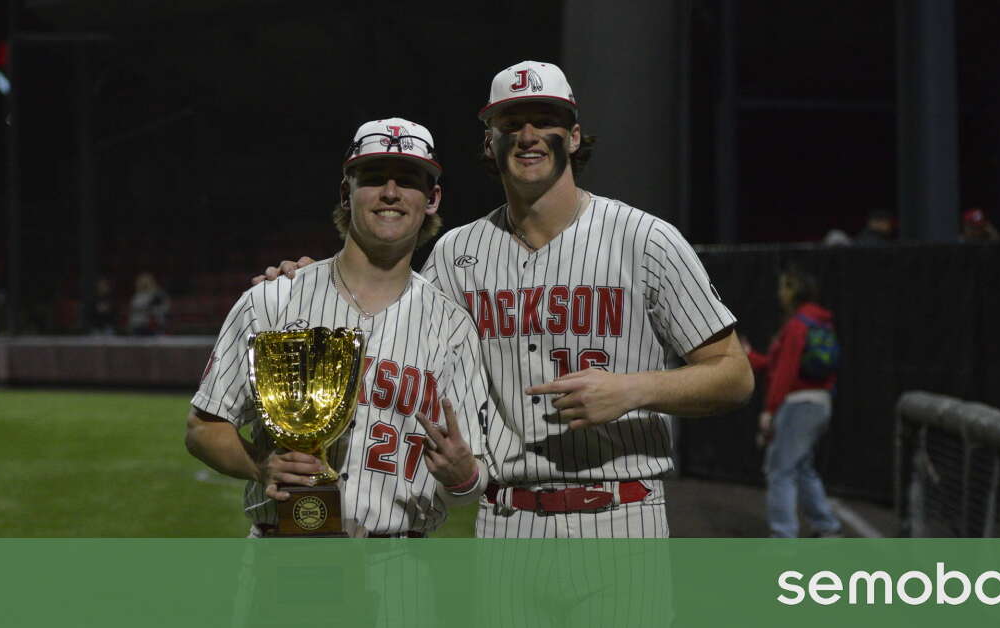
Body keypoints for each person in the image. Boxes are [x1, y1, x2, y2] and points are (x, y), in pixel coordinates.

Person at [261, 61, 753, 538]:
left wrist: (634, 390)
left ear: (574, 136)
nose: (528, 134)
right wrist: (316, 285)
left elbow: (733, 374)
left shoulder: (645, 239)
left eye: (546, 120)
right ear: (490, 141)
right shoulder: (457, 253)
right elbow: (391, 327)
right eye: (511, 122)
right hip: (504, 519)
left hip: (621, 511)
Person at [186, 117, 491, 538]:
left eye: (407, 180)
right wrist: (261, 464)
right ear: (346, 193)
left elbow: (467, 480)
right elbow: (203, 427)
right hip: (283, 555)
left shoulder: (453, 326)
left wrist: (463, 476)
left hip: (399, 564)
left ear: (432, 198)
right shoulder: (274, 299)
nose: (390, 192)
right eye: (373, 178)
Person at [742, 265, 842, 538]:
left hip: (799, 405)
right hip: (819, 403)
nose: (780, 293)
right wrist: (750, 356)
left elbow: (785, 374)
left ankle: (784, 536)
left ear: (794, 291)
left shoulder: (797, 325)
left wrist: (769, 411)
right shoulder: (818, 321)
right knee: (802, 467)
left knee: (779, 469)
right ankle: (826, 526)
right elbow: (775, 365)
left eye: (785, 286)